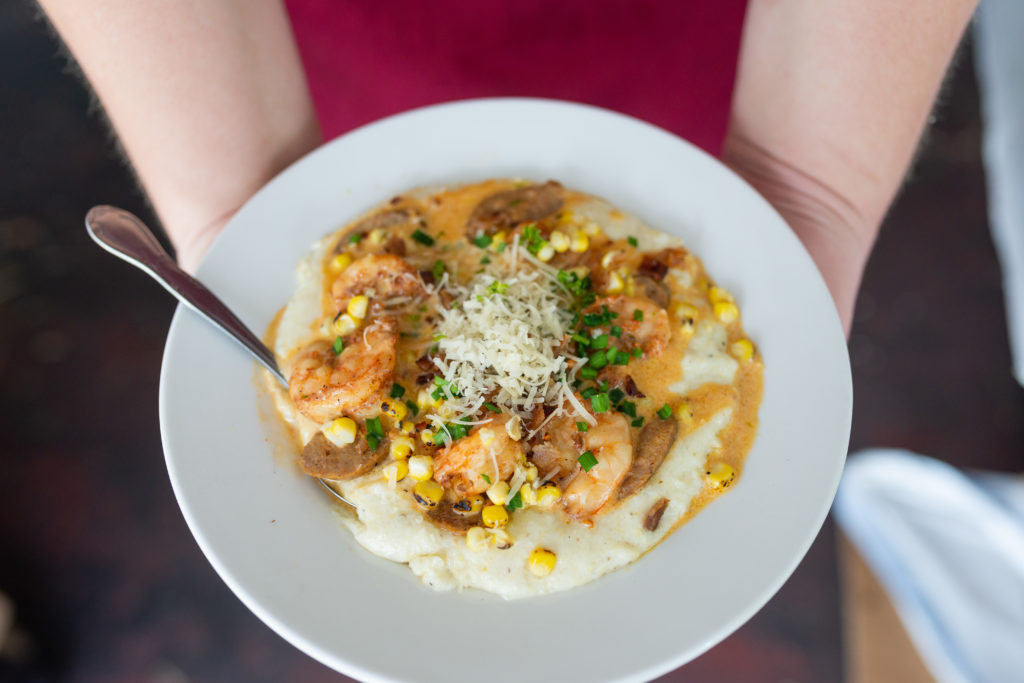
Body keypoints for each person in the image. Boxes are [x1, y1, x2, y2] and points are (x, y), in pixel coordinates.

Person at [35, 0, 978, 337]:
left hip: (759, 63)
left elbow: (797, 182)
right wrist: (239, 201)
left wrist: (809, 186)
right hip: (286, 61)